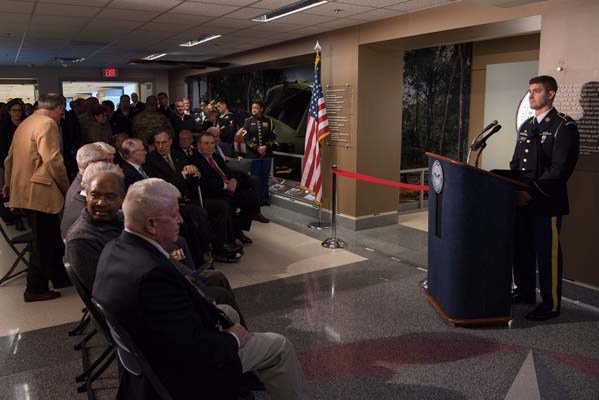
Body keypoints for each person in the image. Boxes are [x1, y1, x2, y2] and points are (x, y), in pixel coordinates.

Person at [93, 178, 307, 400]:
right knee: (279, 346)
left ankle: (244, 374)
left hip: (149, 354)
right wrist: (232, 339)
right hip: (179, 374)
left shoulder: (114, 249)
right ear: (151, 224)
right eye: (174, 214)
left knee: (227, 311)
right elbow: (192, 352)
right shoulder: (152, 277)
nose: (180, 219)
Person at [66, 163, 246, 324]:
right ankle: (232, 343)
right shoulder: (81, 239)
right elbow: (108, 294)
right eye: (94, 195)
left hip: (154, 280)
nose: (101, 203)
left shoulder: (120, 218)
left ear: (122, 198)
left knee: (216, 277)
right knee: (219, 294)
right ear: (86, 194)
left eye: (110, 197)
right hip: (143, 306)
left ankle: (235, 336)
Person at [510, 75, 580, 321]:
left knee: (546, 255)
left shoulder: (564, 126)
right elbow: (516, 163)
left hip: (545, 201)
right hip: (522, 201)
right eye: (529, 91)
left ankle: (551, 304)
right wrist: (516, 191)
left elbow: (560, 169)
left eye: (536, 91)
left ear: (550, 94)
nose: (530, 96)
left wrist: (530, 193)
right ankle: (525, 292)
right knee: (522, 251)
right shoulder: (527, 126)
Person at [3, 93, 71, 302]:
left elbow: (9, 159)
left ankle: (59, 277)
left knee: (49, 239)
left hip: (23, 190)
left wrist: (8, 184)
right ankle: (35, 288)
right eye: (62, 112)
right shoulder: (48, 124)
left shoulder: (25, 123)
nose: (62, 116)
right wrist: (66, 188)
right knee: (43, 243)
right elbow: (52, 161)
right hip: (41, 193)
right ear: (58, 108)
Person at [193, 132, 260, 244]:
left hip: (228, 188)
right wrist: (225, 185)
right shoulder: (195, 160)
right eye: (206, 143)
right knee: (227, 204)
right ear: (198, 145)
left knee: (251, 198)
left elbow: (228, 172)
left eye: (212, 143)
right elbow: (205, 183)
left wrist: (233, 180)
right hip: (213, 193)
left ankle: (237, 229)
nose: (210, 146)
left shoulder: (216, 157)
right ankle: (231, 236)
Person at [61, 142, 115, 238]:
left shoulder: (83, 182)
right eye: (106, 161)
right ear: (91, 165)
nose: (112, 165)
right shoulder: (83, 191)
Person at [241, 100, 276, 205]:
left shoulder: (269, 121)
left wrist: (266, 146)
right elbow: (246, 138)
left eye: (256, 107)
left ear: (261, 109)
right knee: (255, 178)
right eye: (252, 108)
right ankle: (255, 199)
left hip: (266, 154)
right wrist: (257, 148)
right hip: (253, 155)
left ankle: (264, 198)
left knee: (265, 177)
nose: (254, 109)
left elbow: (273, 137)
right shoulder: (247, 121)